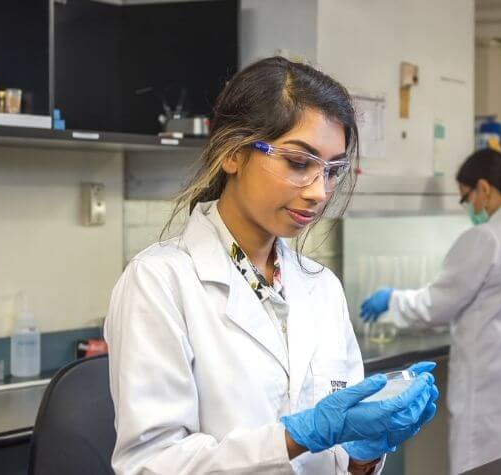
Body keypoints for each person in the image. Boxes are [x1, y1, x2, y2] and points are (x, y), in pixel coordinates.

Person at [104, 57, 439, 475]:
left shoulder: (322, 289)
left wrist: (366, 453)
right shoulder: (160, 282)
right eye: (299, 163)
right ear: (232, 153)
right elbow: (151, 464)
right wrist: (295, 437)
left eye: (333, 170)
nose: (320, 192)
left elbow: (339, 462)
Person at [360, 147, 501, 474]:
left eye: (465, 198)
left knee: (481, 468)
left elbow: (435, 307)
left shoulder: (487, 238)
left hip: (489, 391)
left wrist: (392, 300)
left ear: (483, 189)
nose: (468, 207)